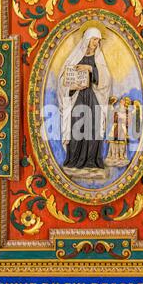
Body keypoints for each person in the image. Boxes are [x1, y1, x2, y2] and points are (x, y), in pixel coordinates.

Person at [57, 26, 111, 178]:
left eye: (98, 40)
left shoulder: (99, 59)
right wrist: (72, 87)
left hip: (93, 98)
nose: (96, 43)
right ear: (87, 39)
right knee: (77, 127)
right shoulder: (75, 58)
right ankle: (74, 161)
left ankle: (92, 162)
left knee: (93, 128)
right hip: (78, 98)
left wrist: (91, 69)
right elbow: (63, 82)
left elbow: (106, 80)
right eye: (94, 39)